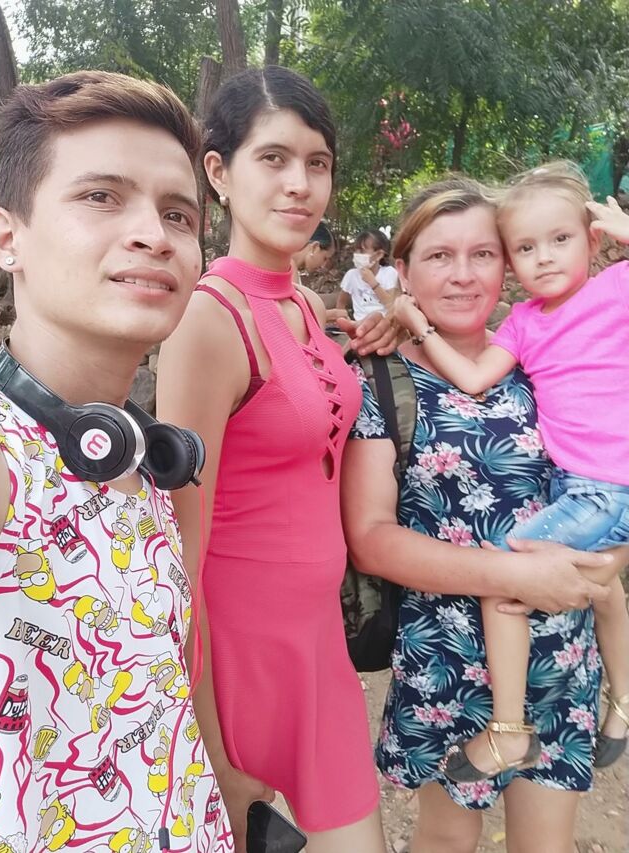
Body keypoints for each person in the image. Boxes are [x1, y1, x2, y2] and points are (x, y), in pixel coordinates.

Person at [341, 176, 628, 853]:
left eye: (483, 253)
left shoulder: (550, 356)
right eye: (440, 256)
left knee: (545, 844)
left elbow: (609, 481)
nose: (464, 275)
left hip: (561, 654)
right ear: (404, 269)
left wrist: (610, 560)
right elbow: (371, 538)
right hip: (447, 658)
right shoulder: (381, 378)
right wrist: (514, 576)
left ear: (507, 264)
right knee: (445, 838)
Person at [0, 72, 233, 851]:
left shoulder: (142, 456)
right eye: (101, 196)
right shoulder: (1, 455)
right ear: (7, 238)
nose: (154, 234)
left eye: (178, 214)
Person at [156, 66, 392, 853]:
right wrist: (212, 750)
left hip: (317, 640)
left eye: (317, 163)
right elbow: (181, 550)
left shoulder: (304, 303)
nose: (300, 184)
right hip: (242, 657)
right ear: (219, 172)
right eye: (274, 158)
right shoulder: (206, 321)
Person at [337, 228, 399, 320]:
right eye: (356, 250)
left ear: (379, 255)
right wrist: (343, 320)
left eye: (362, 251)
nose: (357, 254)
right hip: (359, 325)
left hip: (384, 324)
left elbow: (391, 305)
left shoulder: (389, 273)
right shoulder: (351, 275)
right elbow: (341, 302)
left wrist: (373, 283)